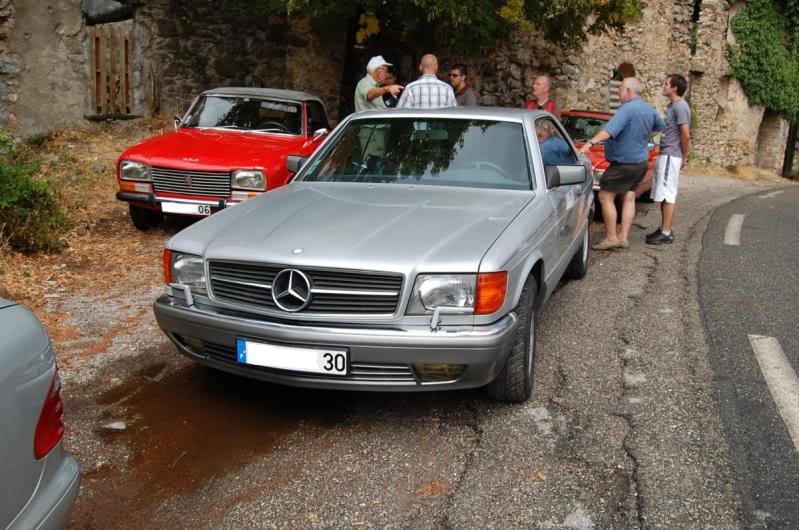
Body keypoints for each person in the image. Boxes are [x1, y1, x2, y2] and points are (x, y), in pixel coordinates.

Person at [579, 77, 665, 250]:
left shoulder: (627, 109)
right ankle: (623, 237)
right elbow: (660, 126)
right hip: (640, 162)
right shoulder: (648, 108)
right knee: (629, 197)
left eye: (620, 90)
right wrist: (642, 137)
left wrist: (590, 143)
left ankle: (611, 238)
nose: (618, 93)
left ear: (628, 90)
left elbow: (609, 131)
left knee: (605, 196)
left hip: (623, 163)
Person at [647, 74, 691, 245]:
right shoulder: (673, 106)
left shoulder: (680, 107)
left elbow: (685, 135)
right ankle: (663, 228)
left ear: (674, 88)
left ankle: (666, 232)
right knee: (663, 193)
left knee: (668, 194)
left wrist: (683, 157)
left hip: (672, 154)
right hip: (668, 153)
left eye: (666, 84)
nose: (663, 86)